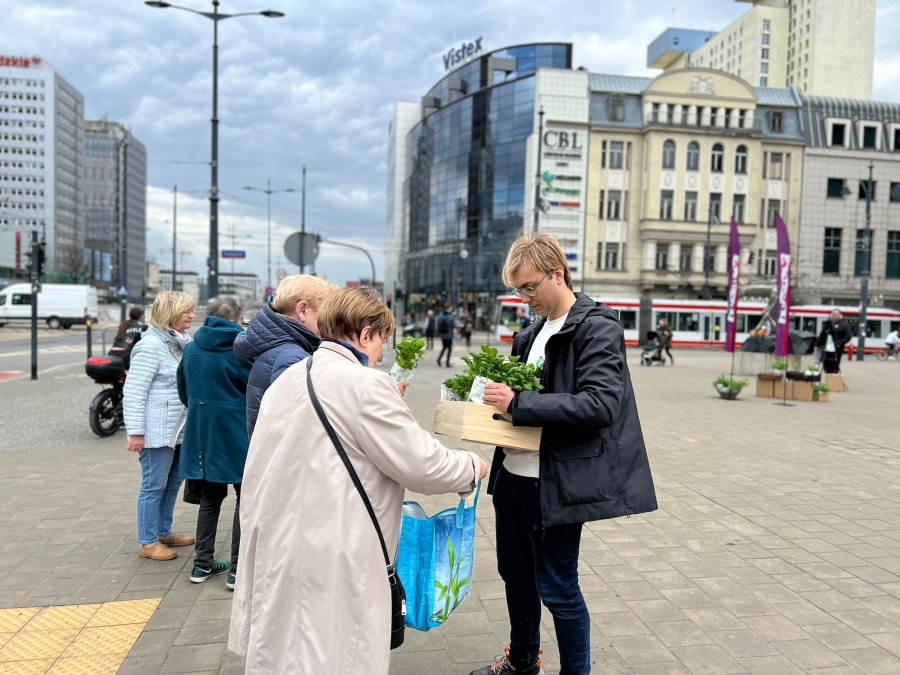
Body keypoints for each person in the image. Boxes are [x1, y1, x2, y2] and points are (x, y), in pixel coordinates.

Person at [228, 287, 489, 675]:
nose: (381, 353)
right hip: (336, 549)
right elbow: (423, 464)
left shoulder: (290, 376)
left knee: (285, 651)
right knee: (334, 654)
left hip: (279, 541)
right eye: (382, 339)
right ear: (366, 334)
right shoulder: (366, 384)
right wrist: (471, 466)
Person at [477, 233, 657, 675]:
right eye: (518, 290)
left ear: (557, 274)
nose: (525, 299)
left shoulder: (597, 327)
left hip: (556, 483)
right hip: (513, 476)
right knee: (516, 577)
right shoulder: (530, 333)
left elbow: (601, 404)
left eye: (530, 287)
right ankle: (523, 662)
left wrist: (519, 402)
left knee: (558, 587)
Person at [177, 300, 253, 589]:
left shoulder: (192, 348)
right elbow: (254, 390)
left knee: (209, 498)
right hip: (236, 432)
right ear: (236, 319)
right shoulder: (242, 350)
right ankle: (237, 570)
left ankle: (202, 564)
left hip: (202, 432)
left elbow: (184, 391)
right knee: (245, 498)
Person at [123, 291, 196, 561]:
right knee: (154, 485)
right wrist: (136, 432)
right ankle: (148, 542)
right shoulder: (150, 346)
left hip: (178, 429)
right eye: (186, 311)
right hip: (157, 431)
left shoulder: (181, 342)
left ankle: (164, 531)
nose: (192, 315)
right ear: (170, 313)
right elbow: (134, 392)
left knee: (173, 482)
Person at [233, 274, 335, 438]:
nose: (329, 322)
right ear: (302, 310)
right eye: (325, 314)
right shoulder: (292, 358)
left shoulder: (281, 349)